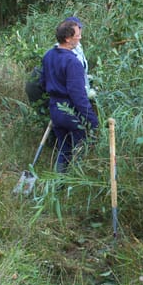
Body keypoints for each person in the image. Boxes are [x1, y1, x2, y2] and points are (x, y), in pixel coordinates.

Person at [39, 19, 99, 172]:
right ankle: (75, 183)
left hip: (55, 109)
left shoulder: (48, 56)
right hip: (71, 112)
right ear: (67, 38)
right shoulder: (73, 62)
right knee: (79, 150)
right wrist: (93, 120)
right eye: (77, 35)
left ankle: (58, 184)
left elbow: (43, 82)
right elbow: (78, 96)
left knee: (63, 149)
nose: (80, 37)